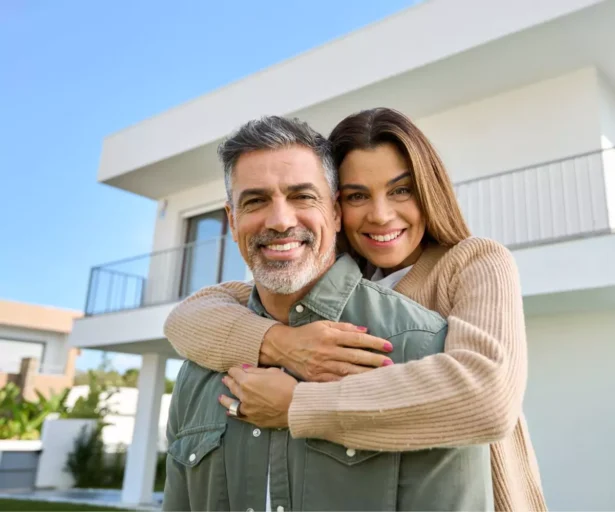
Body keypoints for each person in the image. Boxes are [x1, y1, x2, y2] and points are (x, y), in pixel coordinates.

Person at [165, 108, 548, 511]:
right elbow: (189, 317)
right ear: (336, 208)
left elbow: (488, 397)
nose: (380, 215)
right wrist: (281, 343)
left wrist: (297, 405)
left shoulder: (472, 262)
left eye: (401, 190)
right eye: (357, 196)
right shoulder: (322, 272)